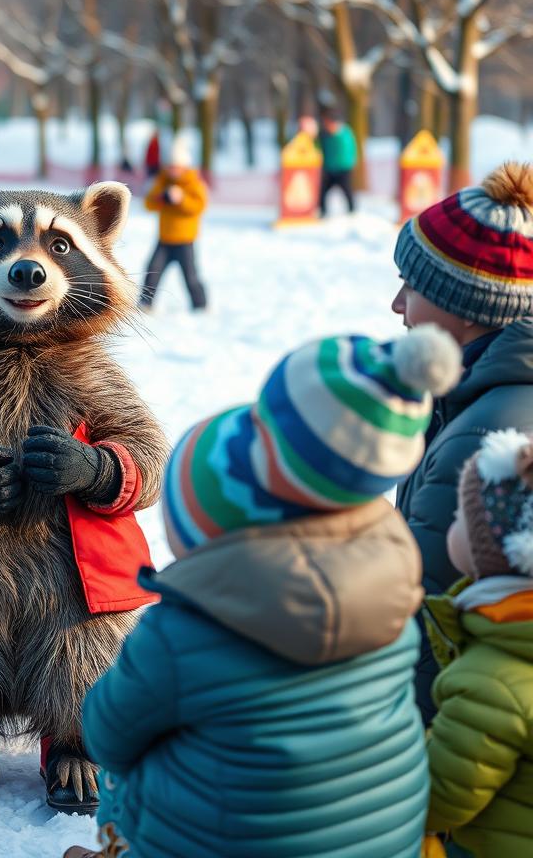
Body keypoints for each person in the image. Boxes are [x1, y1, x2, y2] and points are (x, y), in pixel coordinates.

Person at [65, 325, 462, 858]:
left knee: (141, 762)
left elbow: (108, 733)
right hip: (383, 841)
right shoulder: (392, 579)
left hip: (230, 842)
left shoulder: (192, 628)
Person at [393, 161, 533, 722]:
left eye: (414, 288)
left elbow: (426, 621)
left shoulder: (483, 434)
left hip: (453, 734)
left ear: (468, 308)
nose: (398, 305)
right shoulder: (470, 396)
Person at [423, 428, 533, 858]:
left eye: (460, 519)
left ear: (497, 552)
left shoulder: (492, 679)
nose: (451, 524)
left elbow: (436, 800)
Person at [139, 141, 208, 312]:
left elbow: (198, 207)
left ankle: (201, 305)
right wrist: (161, 197)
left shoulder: (194, 183)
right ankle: (146, 303)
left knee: (190, 276)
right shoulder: (162, 181)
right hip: (164, 239)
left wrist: (181, 199)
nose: (172, 170)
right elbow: (148, 204)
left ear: (184, 167)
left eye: (176, 167)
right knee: (152, 271)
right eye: (170, 166)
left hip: (185, 241)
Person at [317, 106, 358, 216]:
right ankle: (322, 211)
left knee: (347, 191)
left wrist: (350, 163)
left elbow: (350, 150)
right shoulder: (325, 135)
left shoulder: (344, 134)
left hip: (343, 168)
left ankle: (352, 211)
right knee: (323, 191)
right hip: (329, 168)